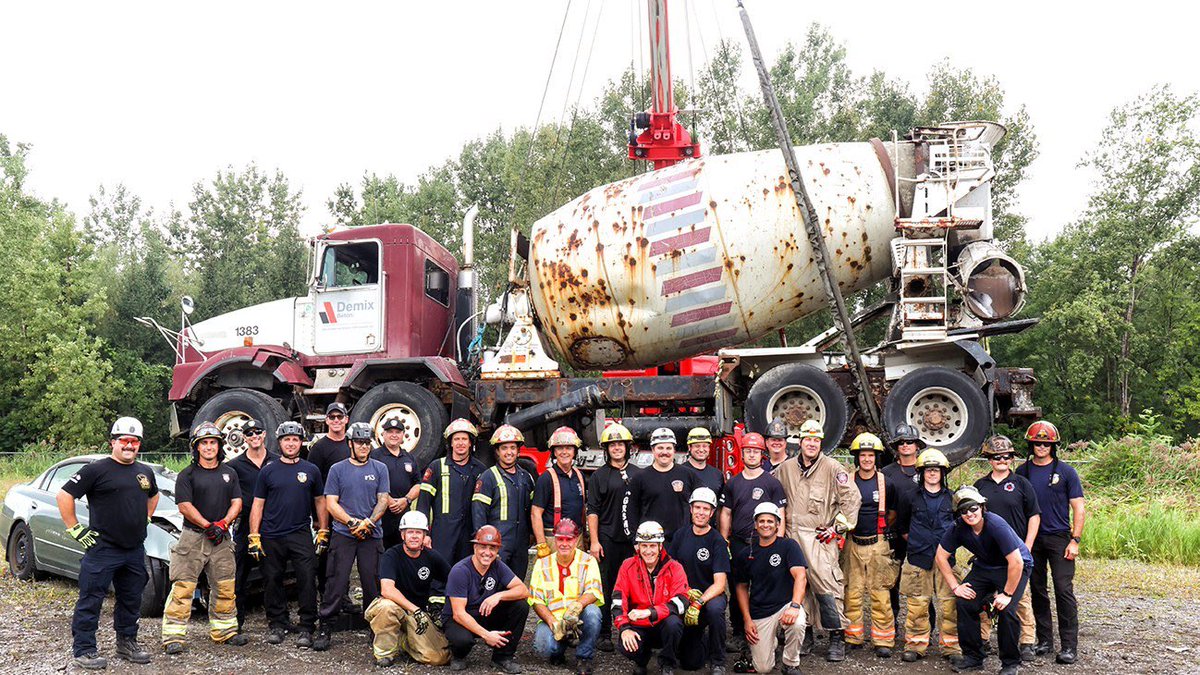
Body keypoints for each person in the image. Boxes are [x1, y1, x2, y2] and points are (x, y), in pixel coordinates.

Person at [58, 416, 158, 669]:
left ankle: (126, 643)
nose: (129, 445)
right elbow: (64, 495)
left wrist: (146, 516)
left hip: (134, 550)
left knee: (131, 599)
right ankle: (84, 650)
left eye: (134, 441)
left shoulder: (144, 472)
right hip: (103, 549)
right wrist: (75, 529)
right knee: (91, 599)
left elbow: (154, 495)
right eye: (124, 440)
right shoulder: (96, 470)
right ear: (113, 442)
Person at [773, 418, 860, 661]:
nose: (811, 443)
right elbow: (770, 491)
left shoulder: (833, 468)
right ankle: (806, 634)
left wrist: (837, 528)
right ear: (800, 442)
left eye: (816, 439)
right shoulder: (786, 468)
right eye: (807, 439)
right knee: (799, 587)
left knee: (827, 586)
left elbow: (852, 501)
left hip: (820, 537)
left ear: (821, 442)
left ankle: (836, 637)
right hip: (791, 536)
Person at [161, 422, 247, 654]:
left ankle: (224, 630)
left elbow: (237, 503)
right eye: (204, 443)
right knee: (183, 587)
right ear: (196, 448)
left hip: (222, 538)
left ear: (219, 446)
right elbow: (184, 506)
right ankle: (173, 636)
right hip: (193, 538)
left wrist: (223, 524)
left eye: (213, 443)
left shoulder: (230, 473)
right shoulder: (187, 474)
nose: (208, 447)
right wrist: (208, 525)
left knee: (226, 586)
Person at [936, 486, 1033, 675]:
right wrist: (955, 587)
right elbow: (941, 556)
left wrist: (1006, 594)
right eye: (964, 510)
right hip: (985, 566)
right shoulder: (958, 528)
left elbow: (1016, 562)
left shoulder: (996, 525)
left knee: (1006, 609)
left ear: (982, 506)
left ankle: (1010, 663)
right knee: (965, 602)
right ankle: (973, 657)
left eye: (973, 508)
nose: (969, 514)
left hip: (1014, 567)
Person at [249, 421, 329, 647]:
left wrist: (323, 529)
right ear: (280, 442)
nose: (291, 443)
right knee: (272, 580)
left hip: (300, 533)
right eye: (287, 439)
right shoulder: (268, 471)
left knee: (306, 579)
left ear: (301, 442)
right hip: (271, 535)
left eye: (295, 439)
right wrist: (254, 535)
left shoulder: (311, 470)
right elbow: (258, 504)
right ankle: (277, 623)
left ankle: (306, 626)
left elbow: (320, 501)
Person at [314, 422, 391, 651]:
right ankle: (325, 626)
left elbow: (383, 499)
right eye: (359, 442)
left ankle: (375, 628)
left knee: (372, 583)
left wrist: (368, 522)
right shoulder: (337, 469)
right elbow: (331, 502)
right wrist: (351, 522)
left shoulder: (380, 468)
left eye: (367, 442)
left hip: (372, 533)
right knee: (336, 582)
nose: (363, 447)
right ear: (351, 444)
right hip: (343, 534)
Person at [1015, 420, 1085, 665]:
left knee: (1063, 590)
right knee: (1036, 590)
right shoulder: (1022, 472)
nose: (1041, 446)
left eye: (1046, 443)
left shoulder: (1066, 472)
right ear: (1031, 445)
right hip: (1031, 539)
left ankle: (1069, 646)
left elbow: (1079, 507)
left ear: (1053, 445)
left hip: (1059, 538)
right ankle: (1044, 640)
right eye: (1037, 442)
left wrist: (1075, 539)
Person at [974, 435, 1041, 661]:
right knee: (984, 598)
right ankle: (983, 639)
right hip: (988, 553)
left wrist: (1028, 546)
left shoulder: (1022, 484)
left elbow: (1034, 515)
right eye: (996, 457)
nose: (1002, 460)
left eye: (1006, 456)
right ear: (989, 459)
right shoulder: (980, 486)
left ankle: (1027, 641)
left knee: (1019, 598)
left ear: (1012, 459)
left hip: (1016, 552)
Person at [719, 432, 787, 650]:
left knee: (766, 586)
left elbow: (781, 513)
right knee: (737, 585)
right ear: (742, 454)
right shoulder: (733, 483)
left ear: (762, 455)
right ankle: (740, 631)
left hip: (765, 543)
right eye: (747, 451)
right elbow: (726, 513)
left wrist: (779, 539)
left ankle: (770, 630)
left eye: (755, 451)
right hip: (739, 542)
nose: (751, 455)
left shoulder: (772, 482)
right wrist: (723, 539)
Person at [893, 448, 961, 665]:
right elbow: (902, 527)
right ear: (922, 473)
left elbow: (960, 528)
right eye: (928, 470)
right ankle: (915, 645)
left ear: (943, 473)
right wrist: (918, 542)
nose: (932, 473)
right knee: (916, 606)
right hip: (917, 559)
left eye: (936, 470)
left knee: (949, 605)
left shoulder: (953, 498)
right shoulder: (909, 497)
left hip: (946, 562)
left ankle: (951, 647)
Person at [366, 511, 453, 667]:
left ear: (425, 535)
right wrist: (415, 610)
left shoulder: (431, 557)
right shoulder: (391, 555)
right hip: (395, 608)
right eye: (410, 532)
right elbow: (387, 590)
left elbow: (454, 579)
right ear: (402, 535)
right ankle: (384, 654)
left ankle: (403, 641)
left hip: (417, 615)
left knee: (439, 658)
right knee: (386, 607)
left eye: (418, 532)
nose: (414, 536)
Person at [842, 432, 900, 658]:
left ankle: (883, 640)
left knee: (881, 593)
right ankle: (852, 637)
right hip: (852, 543)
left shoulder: (887, 483)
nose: (867, 459)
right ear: (857, 458)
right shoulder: (847, 481)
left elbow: (893, 512)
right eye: (863, 455)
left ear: (876, 458)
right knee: (852, 593)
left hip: (878, 544)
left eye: (871, 455)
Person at [733, 503, 808, 675]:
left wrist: (795, 606)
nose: (766, 524)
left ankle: (790, 664)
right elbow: (741, 587)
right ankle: (770, 644)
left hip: (785, 606)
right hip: (760, 611)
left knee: (797, 623)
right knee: (763, 669)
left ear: (777, 524)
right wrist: (747, 620)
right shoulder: (746, 554)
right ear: (755, 524)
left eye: (770, 521)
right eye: (762, 521)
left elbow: (800, 577)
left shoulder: (789, 546)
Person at [444, 525, 531, 674]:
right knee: (462, 641)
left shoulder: (497, 566)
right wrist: (486, 635)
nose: (487, 553)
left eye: (492, 548)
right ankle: (458, 655)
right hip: (460, 618)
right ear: (475, 547)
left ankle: (502, 658)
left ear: (497, 551)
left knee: (521, 606)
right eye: (483, 547)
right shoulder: (460, 571)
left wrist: (498, 595)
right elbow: (458, 613)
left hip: (484, 613)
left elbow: (523, 590)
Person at [586, 422, 639, 653]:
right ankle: (605, 633)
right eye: (612, 445)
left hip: (633, 542)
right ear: (606, 449)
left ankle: (632, 630)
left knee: (633, 587)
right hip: (607, 539)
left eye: (620, 444)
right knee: (607, 587)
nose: (617, 448)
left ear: (628, 447)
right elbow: (593, 511)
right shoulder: (599, 476)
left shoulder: (639, 474)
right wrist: (594, 541)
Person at [666, 488, 730, 675]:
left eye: (706, 509)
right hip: (684, 596)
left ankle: (718, 660)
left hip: (709, 597)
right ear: (691, 509)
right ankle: (673, 655)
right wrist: (684, 596)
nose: (701, 512)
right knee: (690, 663)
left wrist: (699, 602)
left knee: (716, 609)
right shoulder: (680, 535)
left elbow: (720, 584)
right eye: (698, 507)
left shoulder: (717, 541)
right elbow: (669, 572)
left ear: (712, 513)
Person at [612, 521, 690, 675]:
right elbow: (618, 600)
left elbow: (682, 601)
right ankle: (641, 660)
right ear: (638, 547)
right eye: (644, 546)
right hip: (639, 625)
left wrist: (650, 612)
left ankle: (667, 663)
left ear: (661, 546)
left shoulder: (675, 567)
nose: (648, 551)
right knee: (624, 642)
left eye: (653, 546)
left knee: (674, 624)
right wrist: (624, 628)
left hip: (663, 624)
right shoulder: (627, 566)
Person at [529, 519, 604, 675]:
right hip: (553, 619)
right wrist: (553, 622)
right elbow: (536, 600)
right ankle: (561, 647)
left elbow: (594, 590)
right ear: (555, 539)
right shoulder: (542, 564)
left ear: (576, 540)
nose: (564, 543)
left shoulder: (588, 561)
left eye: (568, 539)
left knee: (593, 612)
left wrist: (577, 606)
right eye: (560, 539)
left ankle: (584, 657)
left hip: (579, 617)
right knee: (545, 648)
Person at [225, 418, 277, 632]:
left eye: (258, 432)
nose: (254, 436)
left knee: (273, 575)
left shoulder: (277, 461)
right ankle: (236, 621)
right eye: (250, 433)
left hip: (272, 526)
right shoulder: (234, 466)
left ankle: (276, 621)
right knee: (240, 575)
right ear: (244, 438)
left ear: (264, 435)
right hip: (244, 527)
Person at [419, 418, 488, 564]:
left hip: (470, 533)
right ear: (450, 442)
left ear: (471, 443)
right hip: (442, 532)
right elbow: (423, 503)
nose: (460, 443)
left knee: (467, 573)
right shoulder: (436, 467)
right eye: (456, 439)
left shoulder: (481, 470)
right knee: (440, 575)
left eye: (464, 439)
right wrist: (424, 533)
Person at [473, 424, 537, 577]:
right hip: (497, 541)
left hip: (521, 541)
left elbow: (532, 510)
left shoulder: (526, 477)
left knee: (517, 581)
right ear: (497, 451)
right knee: (493, 582)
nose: (509, 452)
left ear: (518, 450)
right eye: (504, 448)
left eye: (513, 448)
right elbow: (479, 512)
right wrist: (482, 542)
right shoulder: (487, 477)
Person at [883, 423, 924, 627]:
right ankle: (892, 624)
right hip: (892, 534)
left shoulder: (928, 468)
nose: (905, 445)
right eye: (901, 442)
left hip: (918, 535)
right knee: (891, 581)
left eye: (909, 442)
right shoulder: (887, 472)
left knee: (920, 581)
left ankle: (922, 626)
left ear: (917, 445)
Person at [625, 428, 696, 541]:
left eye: (668, 448)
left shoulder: (688, 475)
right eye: (660, 448)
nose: (664, 452)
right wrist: (634, 539)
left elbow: (700, 507)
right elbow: (630, 511)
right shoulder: (640, 477)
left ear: (674, 450)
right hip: (650, 542)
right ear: (653, 450)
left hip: (682, 541)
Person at [532, 426, 587, 561]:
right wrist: (541, 544)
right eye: (560, 448)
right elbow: (535, 513)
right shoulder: (546, 478)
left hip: (577, 538)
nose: (564, 452)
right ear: (554, 452)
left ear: (575, 451)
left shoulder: (580, 476)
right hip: (554, 539)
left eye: (568, 448)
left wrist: (586, 537)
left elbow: (583, 509)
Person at [370, 417, 424, 551]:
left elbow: (418, 483)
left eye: (397, 432)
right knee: (380, 554)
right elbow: (371, 483)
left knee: (401, 553)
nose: (394, 435)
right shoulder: (374, 456)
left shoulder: (409, 457)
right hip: (381, 516)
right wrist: (387, 500)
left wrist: (406, 500)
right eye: (390, 432)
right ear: (383, 434)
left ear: (402, 435)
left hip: (403, 514)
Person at [308, 402, 352, 479]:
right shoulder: (318, 448)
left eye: (340, 416)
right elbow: (312, 477)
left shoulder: (352, 444)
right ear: (327, 420)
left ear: (346, 419)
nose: (336, 420)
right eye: (332, 417)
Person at [683, 427, 724, 495]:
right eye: (697, 446)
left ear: (709, 448)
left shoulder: (717, 475)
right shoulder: (680, 473)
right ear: (689, 447)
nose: (701, 450)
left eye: (704, 446)